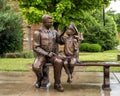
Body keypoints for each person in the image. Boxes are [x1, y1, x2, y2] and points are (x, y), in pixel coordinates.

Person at [32, 14, 64, 92]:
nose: (51, 23)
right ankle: (40, 79)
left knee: (59, 61)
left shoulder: (54, 32)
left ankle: (57, 84)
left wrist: (63, 35)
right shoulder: (38, 32)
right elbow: (35, 47)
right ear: (44, 22)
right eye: (49, 22)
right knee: (36, 67)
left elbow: (60, 42)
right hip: (42, 55)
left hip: (52, 55)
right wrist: (46, 53)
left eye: (52, 22)